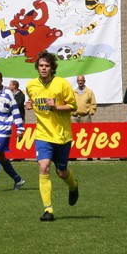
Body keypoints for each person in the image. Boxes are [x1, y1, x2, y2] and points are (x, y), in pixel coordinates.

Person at [25, 51, 80, 222]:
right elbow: (33, 101)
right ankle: (48, 210)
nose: (43, 68)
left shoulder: (62, 84)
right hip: (42, 134)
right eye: (41, 65)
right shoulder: (31, 85)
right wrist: (29, 105)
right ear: (37, 67)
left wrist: (57, 107)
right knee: (44, 167)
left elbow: (73, 106)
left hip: (62, 135)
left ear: (52, 68)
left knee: (61, 172)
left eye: (47, 66)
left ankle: (73, 185)